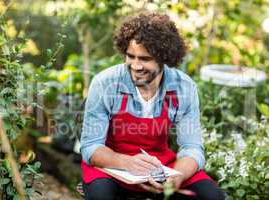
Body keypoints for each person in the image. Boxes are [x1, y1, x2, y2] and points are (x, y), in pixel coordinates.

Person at [80, 12, 225, 200]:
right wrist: (127, 162)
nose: (135, 66)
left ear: (163, 58)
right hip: (112, 167)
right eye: (130, 56)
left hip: (160, 168)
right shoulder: (105, 83)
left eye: (145, 59)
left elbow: (192, 147)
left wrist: (176, 177)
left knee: (212, 197)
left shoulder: (184, 87)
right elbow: (91, 147)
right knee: (101, 195)